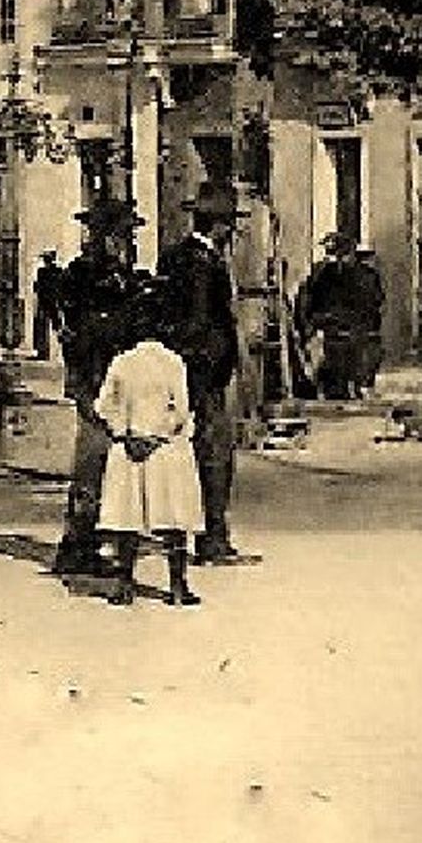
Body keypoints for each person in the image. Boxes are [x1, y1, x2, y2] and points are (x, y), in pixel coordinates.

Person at [154, 184, 254, 567]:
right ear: (219, 226)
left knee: (187, 456)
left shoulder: (175, 256)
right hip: (202, 377)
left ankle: (188, 534)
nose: (230, 233)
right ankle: (212, 540)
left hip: (186, 372)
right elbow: (197, 322)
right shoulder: (201, 263)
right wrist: (210, 368)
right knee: (214, 456)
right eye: (229, 225)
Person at [93, 283, 204, 609]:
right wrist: (158, 435)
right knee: (173, 517)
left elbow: (104, 406)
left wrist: (127, 433)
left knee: (127, 518)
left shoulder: (122, 362)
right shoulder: (173, 363)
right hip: (166, 449)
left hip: (129, 448)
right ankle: (178, 585)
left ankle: (124, 583)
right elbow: (181, 409)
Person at [50, 198, 141, 579]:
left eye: (126, 235)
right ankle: (76, 545)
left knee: (111, 463)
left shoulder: (121, 275)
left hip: (114, 376)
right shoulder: (82, 275)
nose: (123, 242)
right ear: (101, 236)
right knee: (91, 460)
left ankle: (103, 539)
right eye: (119, 234)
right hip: (92, 376)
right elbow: (80, 329)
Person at [300, 233, 364, 400]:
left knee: (345, 354)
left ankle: (344, 386)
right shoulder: (324, 272)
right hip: (333, 321)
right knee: (335, 354)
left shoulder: (354, 272)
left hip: (343, 321)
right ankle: (337, 387)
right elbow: (313, 296)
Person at [351, 247, 386, 394]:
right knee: (371, 352)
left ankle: (358, 382)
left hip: (355, 320)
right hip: (368, 320)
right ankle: (366, 381)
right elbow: (379, 297)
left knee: (358, 353)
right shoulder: (371, 275)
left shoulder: (349, 274)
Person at [31, 250, 63, 361]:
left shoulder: (42, 272)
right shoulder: (58, 271)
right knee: (55, 325)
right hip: (53, 301)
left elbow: (38, 287)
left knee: (42, 326)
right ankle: (54, 351)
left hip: (46, 301)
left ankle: (43, 351)